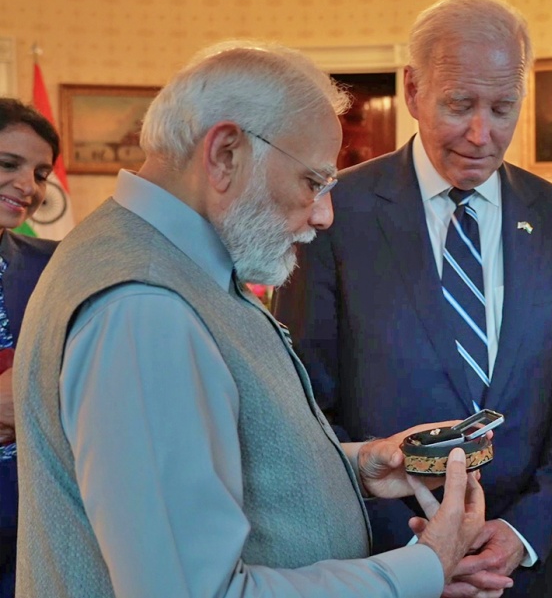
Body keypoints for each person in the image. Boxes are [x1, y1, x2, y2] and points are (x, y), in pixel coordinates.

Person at [12, 42, 491, 598]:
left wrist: (356, 466)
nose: (324, 214)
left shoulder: (173, 258)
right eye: (313, 182)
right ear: (226, 154)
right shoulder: (143, 310)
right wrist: (426, 566)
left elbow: (204, 458)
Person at [275, 0, 552, 597]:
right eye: (459, 104)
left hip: (521, 566)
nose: (482, 134)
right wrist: (417, 552)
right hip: (379, 559)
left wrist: (523, 529)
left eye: (503, 107)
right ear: (412, 90)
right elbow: (303, 405)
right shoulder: (335, 214)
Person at [0, 99, 60, 598]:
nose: (29, 187)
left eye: (41, 173)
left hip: (34, 526)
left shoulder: (55, 265)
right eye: (8, 165)